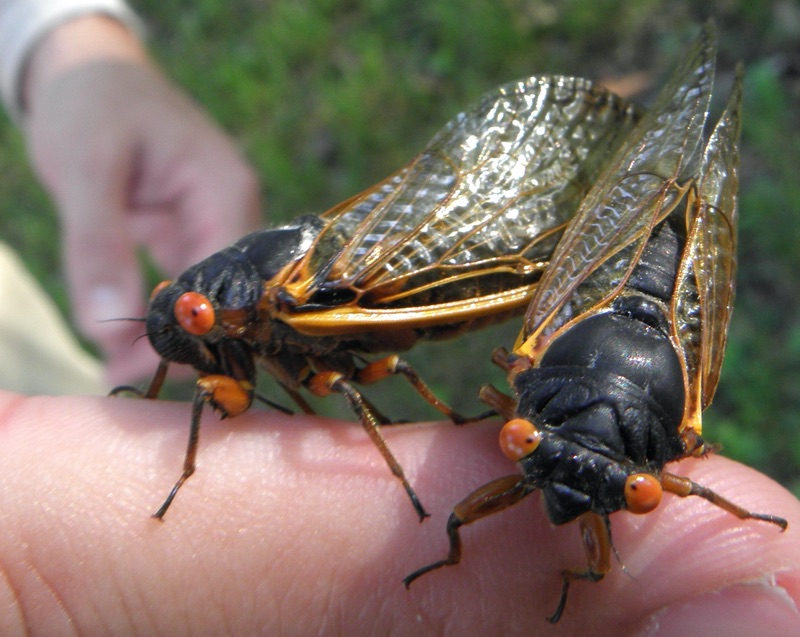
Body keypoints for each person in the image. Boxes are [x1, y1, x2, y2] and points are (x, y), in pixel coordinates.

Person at [0, 4, 798, 635]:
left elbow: (344, 377)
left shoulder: (285, 304)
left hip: (379, 280)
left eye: (199, 311)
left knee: (351, 385)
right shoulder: (220, 330)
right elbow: (193, 346)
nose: (188, 330)